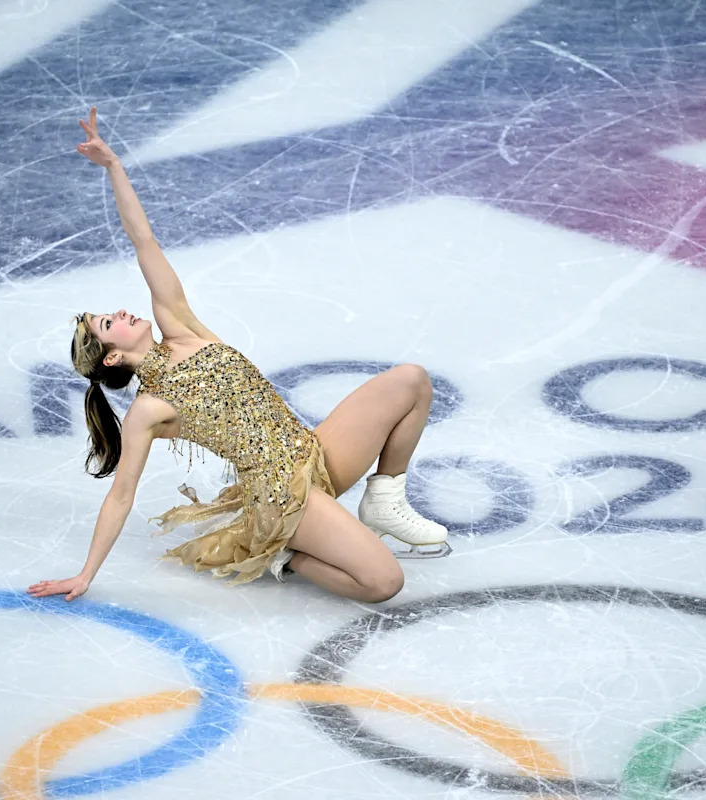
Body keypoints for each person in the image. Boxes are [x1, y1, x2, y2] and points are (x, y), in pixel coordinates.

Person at [27, 108, 449, 605]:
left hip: (311, 453)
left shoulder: (180, 328)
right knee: (384, 583)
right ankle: (285, 553)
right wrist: (84, 575)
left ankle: (384, 500)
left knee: (410, 380)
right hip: (280, 495)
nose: (119, 313)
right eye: (108, 323)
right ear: (114, 357)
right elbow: (122, 495)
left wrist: (114, 166)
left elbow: (144, 241)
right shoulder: (151, 408)